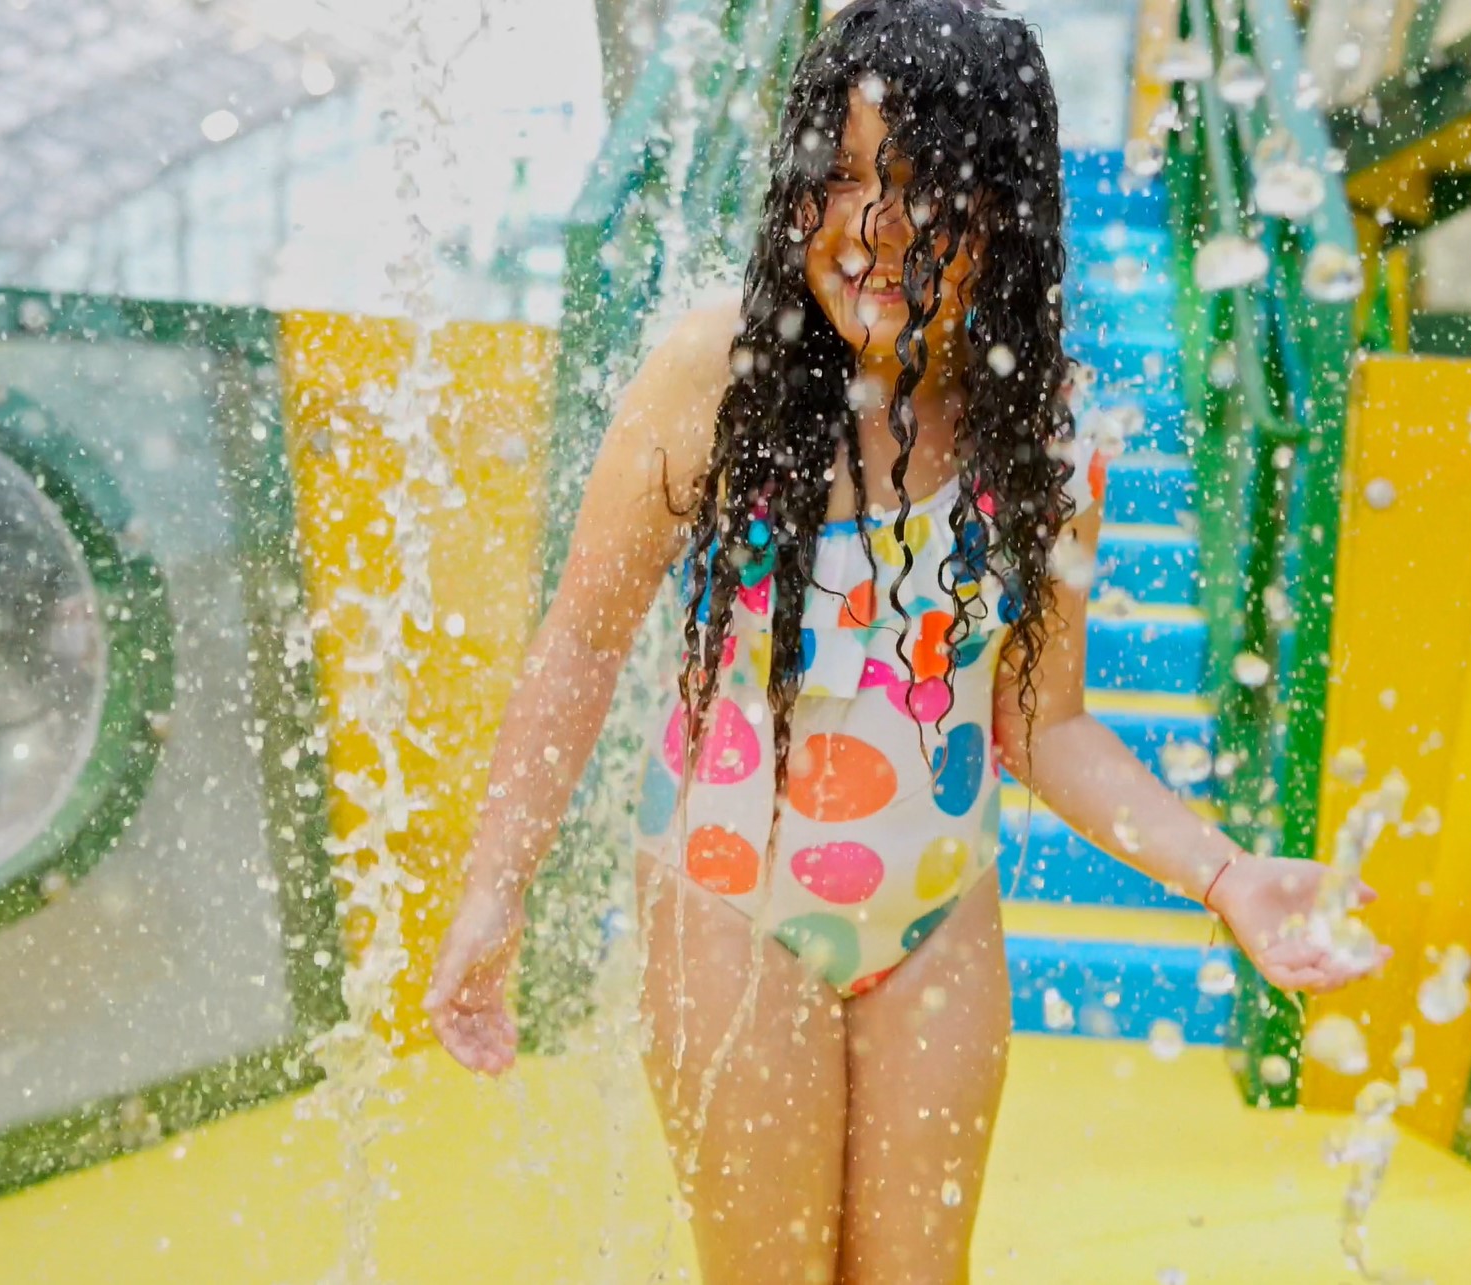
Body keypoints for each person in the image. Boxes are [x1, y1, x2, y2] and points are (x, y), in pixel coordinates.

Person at [423, 2, 1387, 1280]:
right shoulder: (717, 371)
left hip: (935, 916)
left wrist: (1225, 876)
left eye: (925, 189)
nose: (873, 231)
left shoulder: (1038, 428)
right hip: (732, 906)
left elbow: (1044, 723)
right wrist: (498, 884)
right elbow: (582, 643)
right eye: (842, 178)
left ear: (1008, 214)